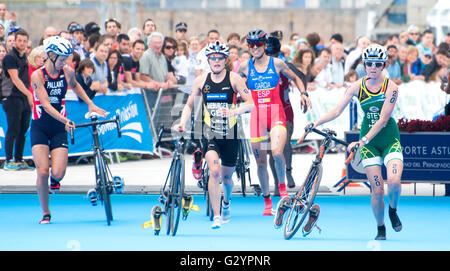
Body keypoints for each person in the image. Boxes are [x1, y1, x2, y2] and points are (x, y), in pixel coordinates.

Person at [309, 44, 404, 240]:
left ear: (384, 65)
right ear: (364, 64)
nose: (373, 67)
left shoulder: (391, 87)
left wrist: (363, 139)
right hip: (368, 144)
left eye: (378, 64)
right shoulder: (356, 86)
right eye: (369, 63)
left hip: (388, 139)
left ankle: (393, 210)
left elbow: (384, 119)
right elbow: (336, 111)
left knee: (394, 182)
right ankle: (380, 227)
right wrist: (316, 122)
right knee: (377, 191)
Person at [173, 41, 254, 229]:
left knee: (227, 179)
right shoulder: (201, 81)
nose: (216, 61)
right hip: (209, 133)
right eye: (213, 58)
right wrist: (182, 122)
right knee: (215, 171)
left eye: (220, 58)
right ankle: (217, 215)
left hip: (231, 134)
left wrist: (234, 112)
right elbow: (189, 105)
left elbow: (250, 103)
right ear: (208, 60)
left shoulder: (234, 79)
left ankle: (226, 203)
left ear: (225, 60)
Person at [30, 36, 106, 224]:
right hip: (41, 125)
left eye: (67, 58)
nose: (65, 62)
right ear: (51, 55)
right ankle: (46, 212)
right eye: (62, 58)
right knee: (42, 172)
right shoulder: (38, 75)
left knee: (58, 173)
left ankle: (55, 180)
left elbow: (76, 86)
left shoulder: (67, 71)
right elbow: (46, 105)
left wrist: (90, 103)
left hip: (58, 128)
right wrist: (66, 119)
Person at [238, 29, 311, 216]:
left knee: (277, 152)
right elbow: (234, 84)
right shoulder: (245, 68)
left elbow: (296, 77)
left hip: (276, 114)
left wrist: (303, 94)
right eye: (251, 45)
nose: (255, 48)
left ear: (264, 45)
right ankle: (267, 200)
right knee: (261, 162)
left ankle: (283, 189)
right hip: (257, 118)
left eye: (258, 44)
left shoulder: (277, 63)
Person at [1, 29, 33, 170]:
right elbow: (15, 78)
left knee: (23, 129)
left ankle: (19, 159)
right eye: (19, 40)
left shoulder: (25, 57)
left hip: (23, 97)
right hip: (11, 96)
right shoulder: (10, 57)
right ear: (14, 41)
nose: (22, 43)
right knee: (13, 129)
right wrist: (29, 94)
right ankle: (8, 160)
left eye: (24, 41)